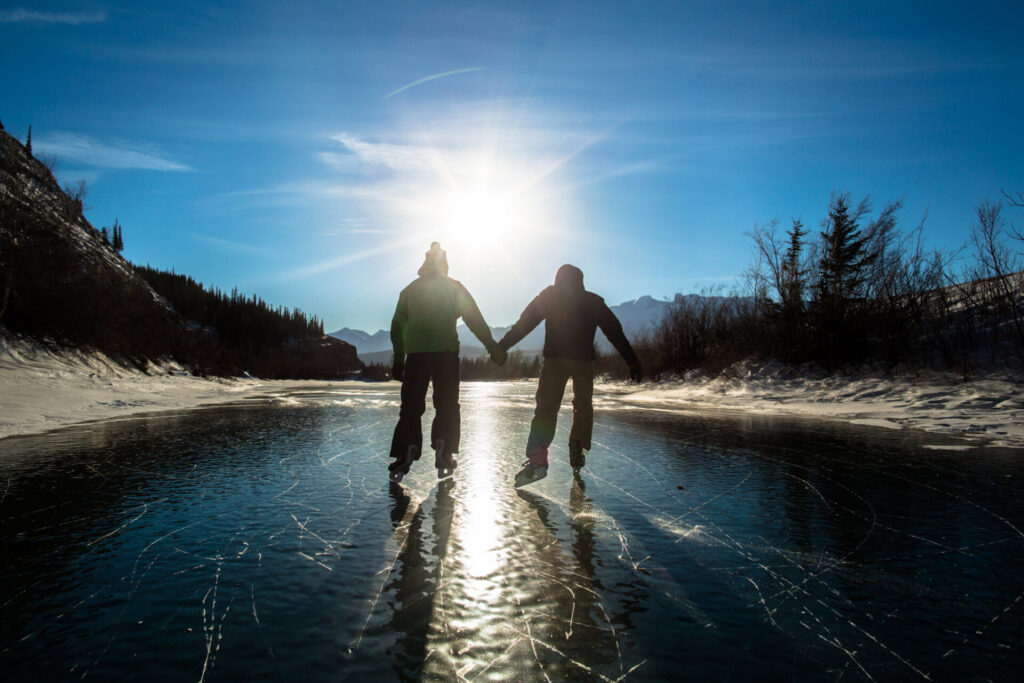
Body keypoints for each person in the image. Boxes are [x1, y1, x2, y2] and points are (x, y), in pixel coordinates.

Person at [493, 264, 642, 487]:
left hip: (555, 360)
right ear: (580, 281)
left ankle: (538, 459)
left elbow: (525, 323)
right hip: (584, 361)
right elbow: (614, 330)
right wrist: (632, 359)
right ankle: (577, 447)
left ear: (558, 279)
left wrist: (503, 345)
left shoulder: (550, 296)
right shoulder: (593, 301)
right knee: (583, 405)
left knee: (546, 407)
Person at [388, 242, 504, 483]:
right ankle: (444, 448)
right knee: (447, 403)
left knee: (411, 406)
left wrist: (399, 359)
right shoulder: (454, 288)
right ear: (445, 264)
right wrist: (491, 346)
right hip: (446, 354)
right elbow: (474, 319)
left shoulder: (410, 290)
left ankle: (405, 451)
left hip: (417, 355)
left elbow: (398, 326)